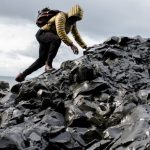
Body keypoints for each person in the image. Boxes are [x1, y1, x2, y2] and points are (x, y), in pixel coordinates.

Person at [15, 4, 87, 82]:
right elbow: (60, 31)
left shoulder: (73, 24)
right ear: (71, 14)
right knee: (56, 39)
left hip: (50, 37)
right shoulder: (61, 16)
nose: (75, 20)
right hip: (42, 34)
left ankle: (22, 75)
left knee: (42, 60)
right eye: (74, 17)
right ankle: (48, 65)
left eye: (77, 19)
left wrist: (85, 47)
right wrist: (71, 45)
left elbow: (76, 36)